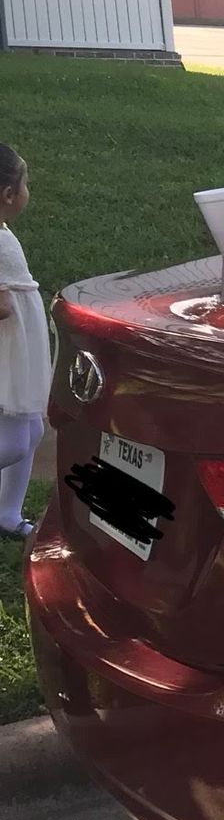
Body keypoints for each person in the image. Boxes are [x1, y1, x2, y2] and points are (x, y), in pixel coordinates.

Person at [0, 144, 52, 540]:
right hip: (7, 353)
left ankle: (7, 512)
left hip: (21, 352)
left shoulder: (3, 231)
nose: (28, 191)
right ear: (9, 194)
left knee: (32, 431)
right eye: (26, 184)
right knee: (14, 440)